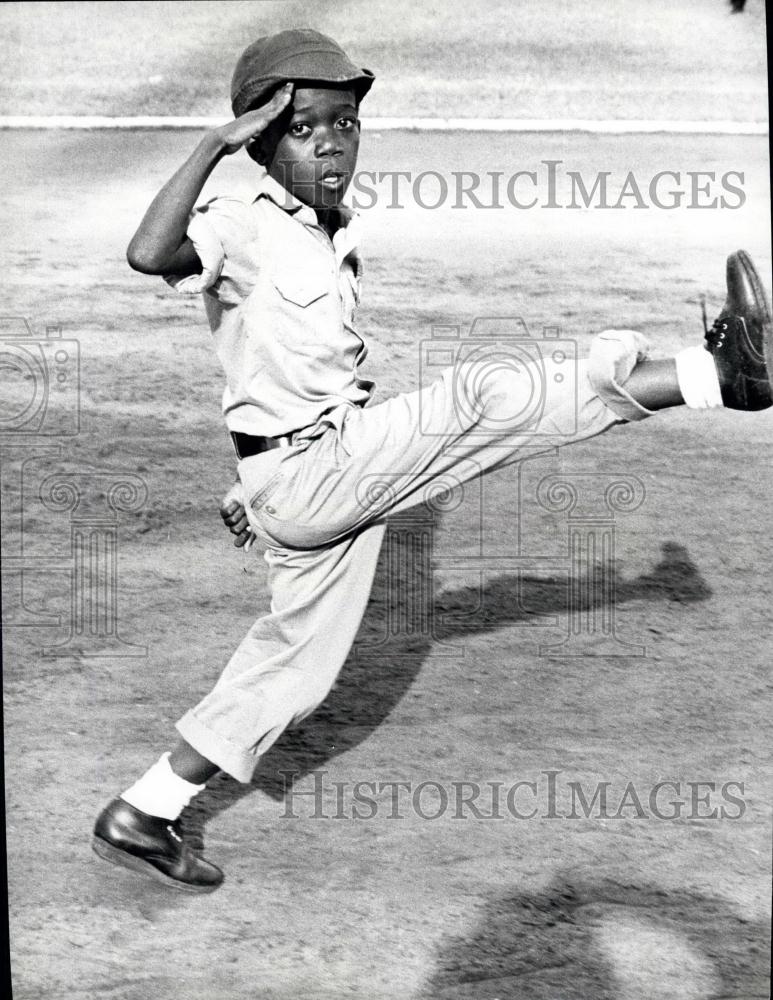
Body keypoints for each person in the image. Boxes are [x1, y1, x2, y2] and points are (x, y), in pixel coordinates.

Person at [92, 28, 772, 893]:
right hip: (312, 473)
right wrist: (210, 146)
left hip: (306, 475)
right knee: (479, 400)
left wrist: (254, 477)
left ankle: (144, 810)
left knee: (292, 669)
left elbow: (282, 379)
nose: (332, 141)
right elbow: (149, 255)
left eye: (344, 122)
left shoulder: (330, 237)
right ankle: (719, 378)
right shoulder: (241, 221)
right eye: (304, 128)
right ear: (261, 140)